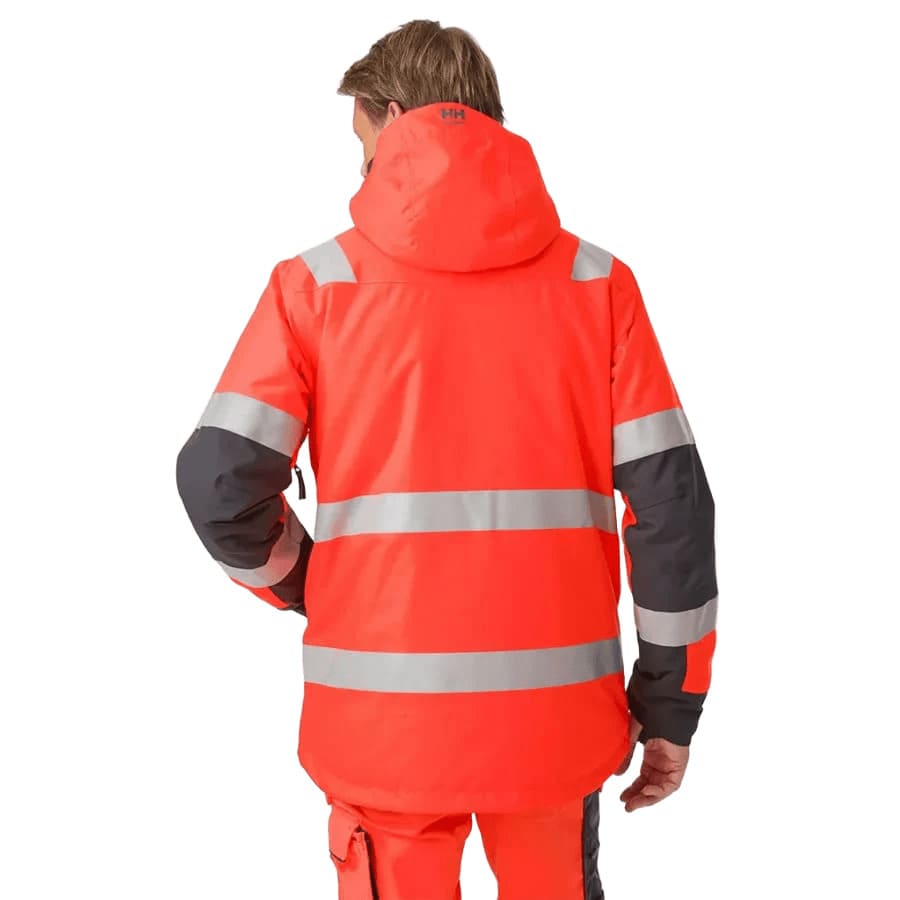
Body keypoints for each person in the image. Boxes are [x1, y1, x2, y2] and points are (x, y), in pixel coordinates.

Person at [175, 18, 717, 900]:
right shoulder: (598, 286)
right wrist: (669, 706)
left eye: (360, 141)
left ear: (393, 118)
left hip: (382, 730)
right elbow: (673, 513)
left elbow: (217, 481)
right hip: (552, 728)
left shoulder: (315, 287)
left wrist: (304, 580)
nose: (361, 167)